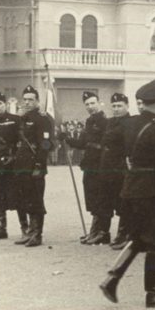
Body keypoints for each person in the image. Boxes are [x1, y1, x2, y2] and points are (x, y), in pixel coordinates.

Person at [99, 79, 155, 308]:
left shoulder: (130, 123)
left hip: (132, 188)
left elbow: (108, 141)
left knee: (140, 237)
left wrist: (132, 161)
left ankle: (112, 277)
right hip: (154, 191)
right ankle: (154, 293)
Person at [61, 92, 109, 244]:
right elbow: (82, 143)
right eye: (87, 104)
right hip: (89, 165)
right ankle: (94, 231)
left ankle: (102, 232)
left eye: (92, 103)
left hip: (101, 165)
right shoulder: (88, 122)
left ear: (99, 103)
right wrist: (66, 138)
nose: (90, 107)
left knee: (102, 198)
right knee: (92, 198)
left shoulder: (105, 122)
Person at [13, 85, 53, 247]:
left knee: (36, 199)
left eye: (31, 99)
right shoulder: (22, 118)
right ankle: (29, 231)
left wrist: (39, 165)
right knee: (23, 198)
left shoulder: (42, 119)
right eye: (25, 99)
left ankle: (37, 234)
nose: (28, 102)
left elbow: (45, 143)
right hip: (21, 164)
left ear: (37, 101)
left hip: (34, 165)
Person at [100, 93, 132, 250]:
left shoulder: (130, 122)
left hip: (122, 167)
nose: (116, 109)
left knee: (123, 202)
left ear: (127, 106)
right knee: (110, 199)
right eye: (114, 106)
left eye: (119, 106)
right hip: (109, 167)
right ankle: (112, 232)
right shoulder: (110, 121)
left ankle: (124, 234)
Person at [0, 90, 21, 240]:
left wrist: (14, 156)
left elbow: (22, 142)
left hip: (12, 164)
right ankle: (1, 229)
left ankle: (25, 228)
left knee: (17, 195)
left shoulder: (15, 120)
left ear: (5, 104)